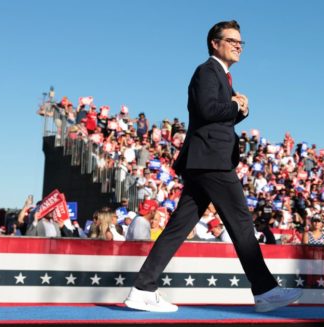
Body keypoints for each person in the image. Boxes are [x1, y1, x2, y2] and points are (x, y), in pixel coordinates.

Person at [124, 20, 301, 313]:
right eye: (232, 40)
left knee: (178, 228)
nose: (238, 46)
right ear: (214, 43)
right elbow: (206, 110)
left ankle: (143, 288)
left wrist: (238, 109)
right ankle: (266, 290)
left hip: (205, 161)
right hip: (211, 162)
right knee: (242, 224)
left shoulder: (221, 75)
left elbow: (213, 116)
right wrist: (234, 105)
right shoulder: (207, 71)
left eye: (241, 42)